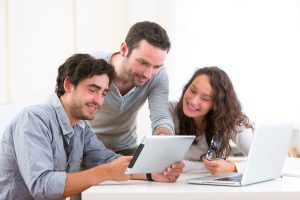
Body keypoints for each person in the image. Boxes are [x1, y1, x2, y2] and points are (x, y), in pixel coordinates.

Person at [0, 54, 184, 200]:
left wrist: (153, 173)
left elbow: (109, 161)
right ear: (68, 85)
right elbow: (42, 186)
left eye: (103, 93)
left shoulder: (81, 128)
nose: (99, 101)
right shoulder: (34, 119)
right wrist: (105, 172)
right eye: (92, 90)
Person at [90, 21, 174, 155]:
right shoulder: (91, 65)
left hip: (125, 149)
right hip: (87, 148)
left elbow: (162, 117)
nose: (148, 74)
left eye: (157, 66)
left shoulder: (158, 76)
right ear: (124, 49)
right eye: (143, 63)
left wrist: (162, 140)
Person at [169, 66, 254, 174]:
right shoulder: (170, 110)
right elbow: (164, 163)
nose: (193, 101)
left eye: (205, 98)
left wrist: (232, 167)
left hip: (215, 188)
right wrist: (208, 167)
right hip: (175, 186)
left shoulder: (231, 118)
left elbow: (262, 159)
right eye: (193, 90)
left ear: (216, 104)